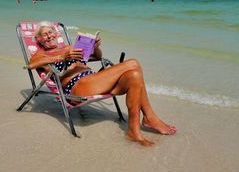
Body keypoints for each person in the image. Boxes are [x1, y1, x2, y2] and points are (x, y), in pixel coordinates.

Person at [28, 21, 176, 146]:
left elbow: (97, 57)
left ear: (56, 34)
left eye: (51, 32)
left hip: (94, 81)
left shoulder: (70, 48)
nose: (49, 36)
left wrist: (95, 47)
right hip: (77, 88)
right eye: (44, 34)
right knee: (133, 63)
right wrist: (62, 57)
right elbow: (31, 64)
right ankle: (150, 117)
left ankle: (133, 131)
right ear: (39, 40)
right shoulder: (42, 54)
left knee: (134, 75)